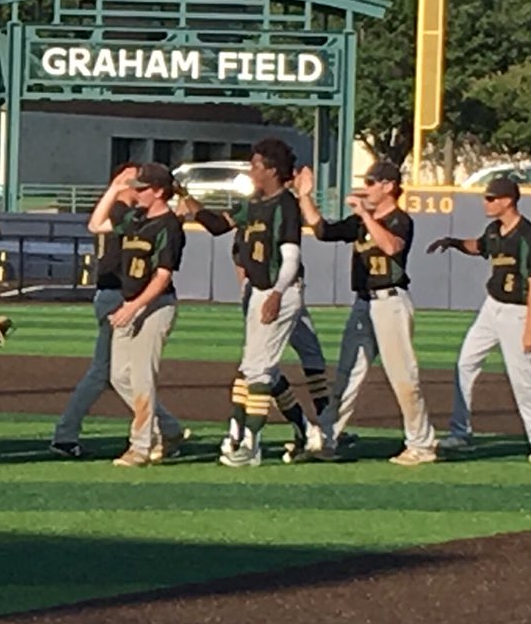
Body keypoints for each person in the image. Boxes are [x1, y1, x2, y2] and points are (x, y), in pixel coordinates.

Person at [295, 161, 436, 464]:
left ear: (389, 186)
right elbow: (322, 231)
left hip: (391, 301)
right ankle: (328, 440)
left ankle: (421, 444)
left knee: (403, 376)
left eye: (372, 182)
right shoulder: (361, 221)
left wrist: (364, 214)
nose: (366, 188)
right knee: (348, 374)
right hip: (363, 302)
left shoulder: (400, 219)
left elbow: (391, 247)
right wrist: (305, 196)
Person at [51, 164, 189, 460]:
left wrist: (133, 307)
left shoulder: (169, 225)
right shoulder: (134, 219)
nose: (136, 192)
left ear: (159, 191)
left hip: (154, 305)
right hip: (128, 303)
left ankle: (140, 446)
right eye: (135, 187)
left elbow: (163, 276)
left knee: (141, 376)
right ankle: (167, 429)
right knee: (117, 375)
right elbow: (95, 224)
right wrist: (114, 188)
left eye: (142, 188)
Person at [216, 138, 325, 468]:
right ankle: (305, 431)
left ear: (272, 170)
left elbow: (291, 255)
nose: (251, 169)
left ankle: (251, 444)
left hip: (282, 290)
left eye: (256, 165)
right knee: (257, 366)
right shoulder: (255, 204)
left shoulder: (285, 205)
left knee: (262, 367)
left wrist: (276, 294)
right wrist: (183, 197)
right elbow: (217, 226)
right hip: (261, 290)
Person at [431, 175, 531, 463]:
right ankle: (461, 433)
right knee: (465, 363)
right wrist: (455, 242)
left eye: (491, 198)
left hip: (517, 311)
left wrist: (530, 328)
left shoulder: (527, 235)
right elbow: (480, 246)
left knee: (524, 380)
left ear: (507, 201)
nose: (486, 202)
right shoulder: (495, 230)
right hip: (491, 307)